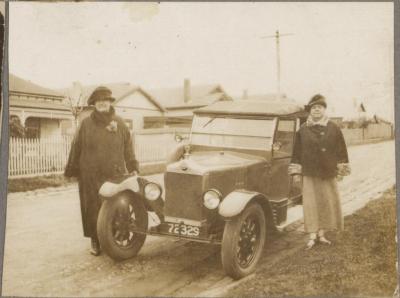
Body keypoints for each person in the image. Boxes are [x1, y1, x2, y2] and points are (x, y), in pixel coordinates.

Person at [64, 86, 139, 256]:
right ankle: (95, 241)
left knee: (118, 206)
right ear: (94, 104)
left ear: (110, 102)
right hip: (90, 175)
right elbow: (76, 147)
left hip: (115, 173)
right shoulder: (86, 124)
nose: (102, 103)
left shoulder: (120, 123)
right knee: (92, 208)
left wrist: (133, 166)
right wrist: (72, 170)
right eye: (99, 101)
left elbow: (128, 148)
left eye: (105, 100)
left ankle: (115, 239)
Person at [289, 94, 351, 249]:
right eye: (314, 108)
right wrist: (296, 172)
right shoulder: (302, 130)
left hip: (328, 172)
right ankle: (312, 235)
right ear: (310, 111)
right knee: (311, 204)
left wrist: (341, 168)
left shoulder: (334, 128)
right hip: (309, 173)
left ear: (324, 110)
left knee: (326, 203)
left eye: (320, 107)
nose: (316, 110)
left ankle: (322, 234)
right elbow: (296, 152)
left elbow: (341, 149)